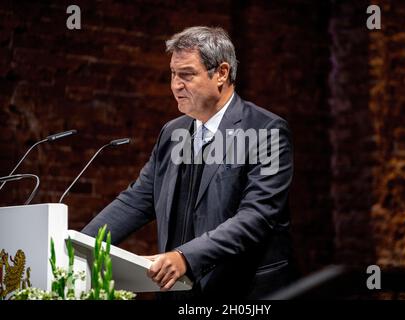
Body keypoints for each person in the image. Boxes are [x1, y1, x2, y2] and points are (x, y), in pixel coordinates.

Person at [82, 26, 296, 300]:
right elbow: (137, 199)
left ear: (221, 73)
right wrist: (81, 245)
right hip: (177, 291)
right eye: (173, 74)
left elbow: (256, 216)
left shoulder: (266, 130)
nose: (175, 85)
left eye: (187, 75)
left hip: (243, 291)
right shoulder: (173, 133)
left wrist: (185, 257)